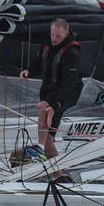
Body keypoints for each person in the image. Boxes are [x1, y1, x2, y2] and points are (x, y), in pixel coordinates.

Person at [13, 18, 82, 165]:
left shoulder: (71, 54)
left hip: (66, 95)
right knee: (49, 140)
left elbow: (68, 85)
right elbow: (38, 63)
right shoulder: (47, 45)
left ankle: (40, 147)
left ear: (66, 34)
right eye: (52, 34)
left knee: (42, 107)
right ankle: (59, 176)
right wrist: (28, 70)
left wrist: (56, 105)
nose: (54, 39)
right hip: (49, 91)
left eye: (58, 36)